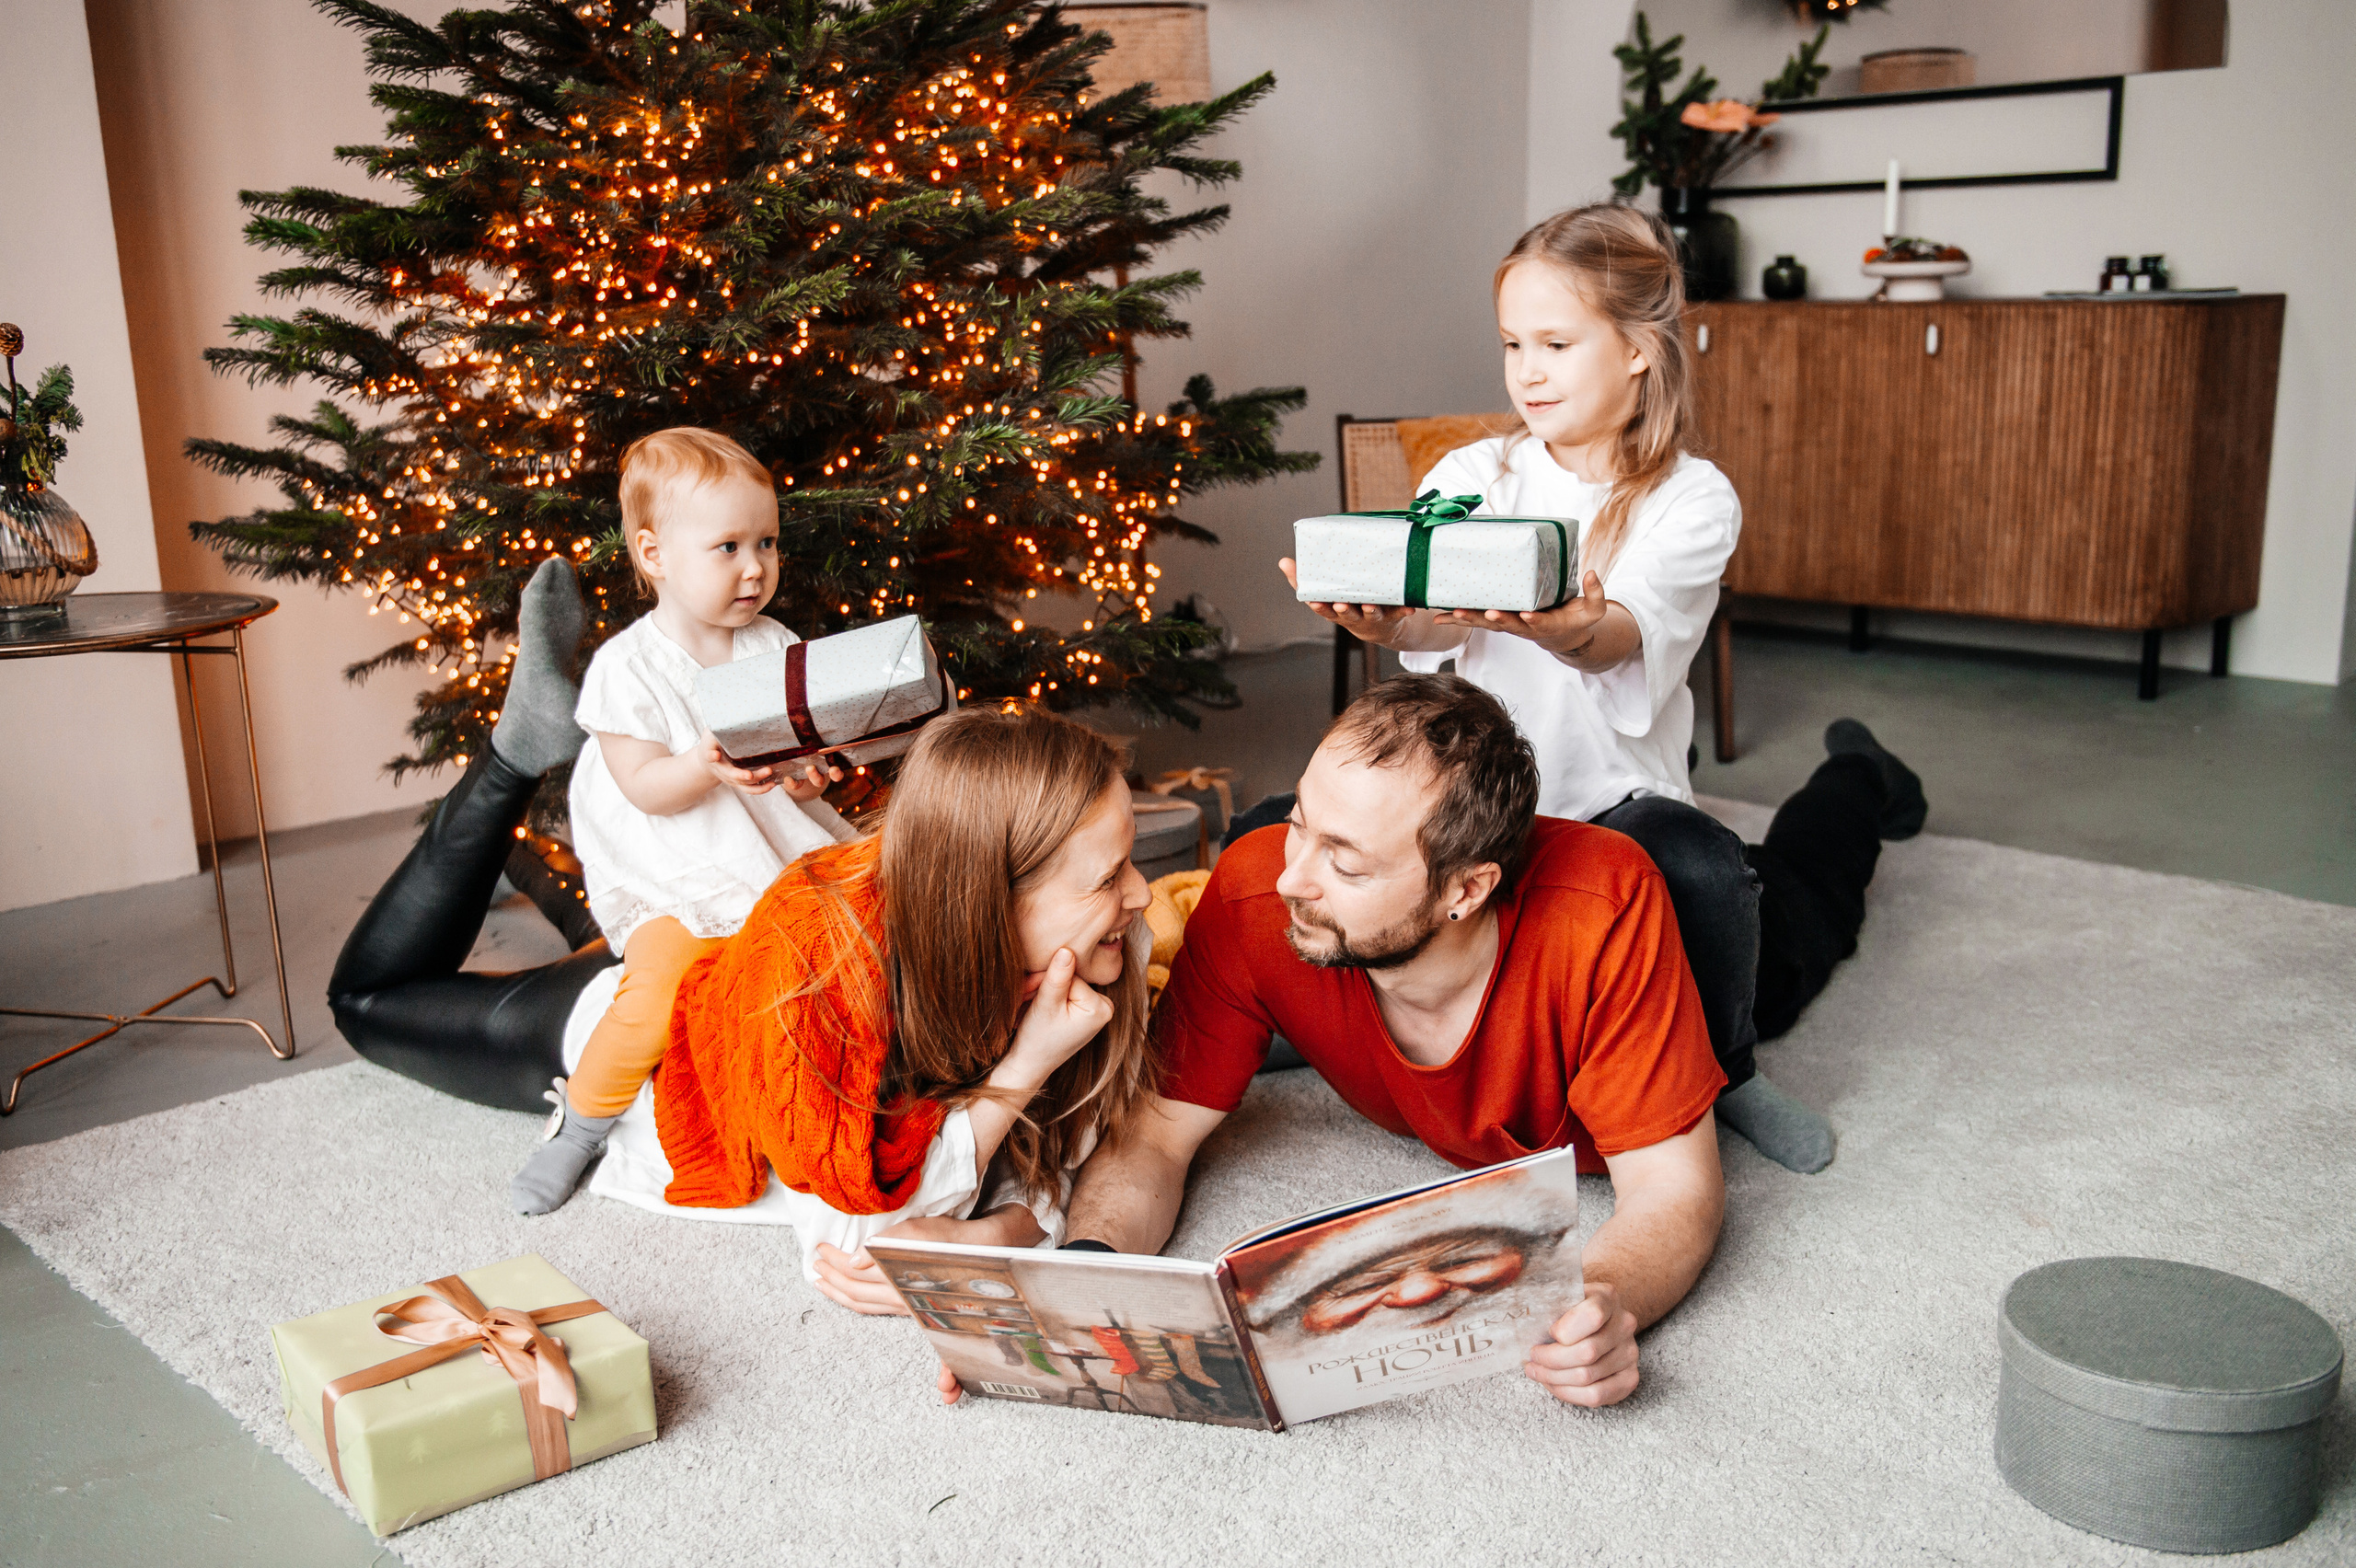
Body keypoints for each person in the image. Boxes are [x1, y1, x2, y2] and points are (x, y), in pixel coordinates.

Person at [1029, 674, 1921, 1410]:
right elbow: (1151, 1136)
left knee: (1802, 902)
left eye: (1343, 860)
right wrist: (1084, 1275)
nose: (1289, 875)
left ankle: (1859, 779)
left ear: (1464, 891)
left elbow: (1673, 1192)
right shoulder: (1263, 889)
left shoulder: (1604, 918)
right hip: (1469, 943)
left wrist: (1601, 1299)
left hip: (1698, 963)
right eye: (1303, 821)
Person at [1285, 203, 1925, 1175]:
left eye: (1554, 342)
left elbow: (1623, 635)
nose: (1525, 371)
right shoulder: (1472, 474)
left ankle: (1853, 792)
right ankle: (1308, 1017)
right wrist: (1381, 623)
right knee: (1279, 825)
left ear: (1635, 349)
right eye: (1510, 344)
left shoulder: (1691, 498)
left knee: (1751, 902)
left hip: (1623, 813)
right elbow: (1427, 624)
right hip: (1488, 814)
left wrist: (1567, 625)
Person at [326, 569, 1159, 1286]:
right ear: (986, 900)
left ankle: (549, 877)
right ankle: (514, 758)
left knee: (664, 924)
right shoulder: (828, 973)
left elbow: (1067, 1144)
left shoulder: (1093, 944)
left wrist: (1005, 1230)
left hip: (739, 952)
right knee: (368, 1002)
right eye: (1110, 876)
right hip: (667, 1039)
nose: (1144, 896)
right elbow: (854, 1235)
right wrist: (1027, 1064)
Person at [511, 428, 857, 1214]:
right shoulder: (628, 668)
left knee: (851, 938)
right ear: (656, 554)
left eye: (766, 542)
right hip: (676, 870)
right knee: (658, 993)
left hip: (771, 849)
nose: (754, 567)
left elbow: (797, 770)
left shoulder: (773, 644)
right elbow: (643, 787)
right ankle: (582, 1123)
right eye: (728, 546)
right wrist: (703, 761)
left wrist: (809, 775)